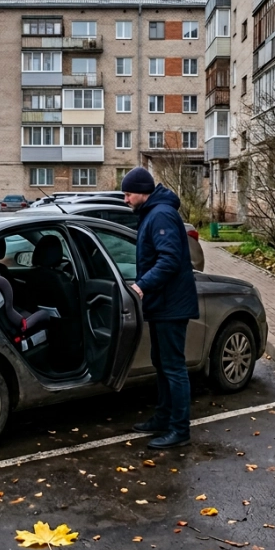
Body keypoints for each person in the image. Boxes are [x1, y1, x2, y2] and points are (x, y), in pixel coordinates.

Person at [121, 166, 199, 449]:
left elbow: (169, 260)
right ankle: (163, 417)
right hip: (162, 303)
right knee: (162, 363)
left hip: (171, 305)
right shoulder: (152, 212)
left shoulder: (161, 214)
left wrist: (141, 286)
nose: (125, 200)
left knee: (173, 367)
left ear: (142, 192)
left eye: (128, 194)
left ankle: (179, 429)